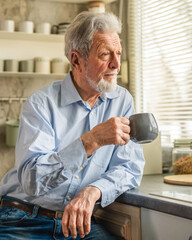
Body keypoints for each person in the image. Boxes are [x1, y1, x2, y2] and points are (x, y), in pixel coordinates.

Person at [0, 11, 145, 240]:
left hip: (79, 226)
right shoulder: (41, 103)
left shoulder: (122, 100)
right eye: (106, 54)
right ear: (76, 59)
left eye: (118, 53)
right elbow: (32, 181)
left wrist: (93, 191)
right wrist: (91, 140)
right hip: (23, 217)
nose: (116, 64)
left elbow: (129, 167)